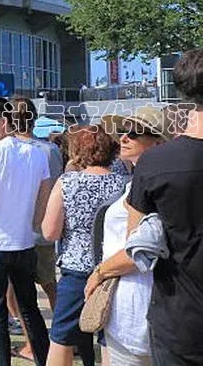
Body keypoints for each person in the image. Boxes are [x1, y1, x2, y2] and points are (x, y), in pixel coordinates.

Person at [94, 49, 203, 366]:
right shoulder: (156, 160)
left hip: (178, 315)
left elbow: (136, 244)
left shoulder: (157, 162)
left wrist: (100, 272)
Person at [0, 96, 52, 366]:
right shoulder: (38, 153)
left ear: (2, 122)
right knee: (30, 308)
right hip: (24, 242)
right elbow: (42, 206)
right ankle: (43, 360)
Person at [91, 106, 171, 365]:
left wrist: (100, 272)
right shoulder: (133, 182)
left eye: (135, 133)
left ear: (157, 142)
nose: (124, 137)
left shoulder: (158, 184)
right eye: (125, 131)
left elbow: (140, 250)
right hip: (126, 302)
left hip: (144, 303)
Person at [41, 125, 125, 366]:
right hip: (111, 269)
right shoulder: (123, 184)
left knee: (61, 339)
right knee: (109, 340)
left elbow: (50, 231)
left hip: (76, 269)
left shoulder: (68, 183)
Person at [7, 97, 64, 361]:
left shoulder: (7, 150)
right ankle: (65, 339)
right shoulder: (50, 150)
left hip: (16, 232)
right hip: (44, 229)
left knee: (17, 293)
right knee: (50, 285)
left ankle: (33, 343)